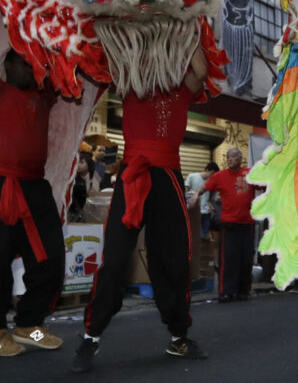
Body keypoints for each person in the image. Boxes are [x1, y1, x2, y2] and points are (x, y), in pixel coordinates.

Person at [74, 48, 211, 372]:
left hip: (169, 176)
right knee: (115, 258)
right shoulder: (130, 82)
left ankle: (179, 336)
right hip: (133, 174)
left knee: (174, 259)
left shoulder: (181, 88)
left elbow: (201, 69)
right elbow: (107, 56)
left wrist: (190, 24)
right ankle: (91, 336)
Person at [0, 50, 65, 356]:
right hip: (2, 182)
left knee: (51, 257)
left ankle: (29, 324)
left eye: (34, 65)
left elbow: (67, 65)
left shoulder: (45, 95)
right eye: (25, 64)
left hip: (35, 185)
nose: (30, 70)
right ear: (9, 65)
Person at [204, 148, 258, 303]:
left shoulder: (250, 174)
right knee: (228, 259)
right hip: (229, 224)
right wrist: (195, 195)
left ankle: (243, 291)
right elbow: (205, 187)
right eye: (228, 157)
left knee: (246, 259)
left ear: (240, 158)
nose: (230, 159)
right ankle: (226, 292)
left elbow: (266, 185)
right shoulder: (220, 176)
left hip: (247, 223)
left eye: (233, 156)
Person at [187, 161, 220, 272]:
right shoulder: (192, 177)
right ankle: (193, 264)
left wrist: (211, 206)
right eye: (212, 174)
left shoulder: (211, 183)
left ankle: (201, 264)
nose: (212, 177)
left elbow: (209, 198)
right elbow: (186, 193)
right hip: (194, 213)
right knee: (195, 238)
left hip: (206, 214)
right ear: (207, 170)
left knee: (204, 239)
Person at [70, 152, 97, 223]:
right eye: (78, 162)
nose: (78, 165)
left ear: (89, 164)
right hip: (74, 211)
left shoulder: (94, 178)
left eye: (81, 162)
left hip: (90, 212)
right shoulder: (74, 178)